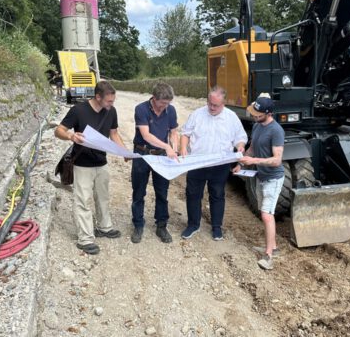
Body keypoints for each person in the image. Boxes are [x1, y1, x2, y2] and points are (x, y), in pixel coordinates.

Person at [54, 81, 125, 255]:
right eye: (108, 101)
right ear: (98, 97)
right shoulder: (79, 110)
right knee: (83, 200)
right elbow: (59, 130)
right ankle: (85, 238)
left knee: (103, 197)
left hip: (101, 163)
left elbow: (114, 133)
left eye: (113, 101)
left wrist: (124, 152)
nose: (111, 104)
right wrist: (71, 136)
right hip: (82, 164)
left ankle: (104, 227)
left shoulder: (111, 111)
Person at [179, 86, 247, 241]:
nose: (211, 107)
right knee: (193, 194)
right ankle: (193, 225)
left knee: (217, 195)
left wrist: (240, 146)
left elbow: (240, 137)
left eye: (215, 105)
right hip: (197, 163)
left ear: (224, 103)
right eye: (210, 103)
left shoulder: (231, 117)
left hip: (220, 164)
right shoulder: (197, 114)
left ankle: (216, 228)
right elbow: (185, 133)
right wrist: (183, 148)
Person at [233, 94, 285, 270]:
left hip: (273, 178)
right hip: (261, 176)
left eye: (258, 113)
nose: (254, 115)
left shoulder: (276, 131)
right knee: (264, 212)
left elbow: (277, 160)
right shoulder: (256, 126)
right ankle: (274, 247)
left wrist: (254, 162)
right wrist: (240, 164)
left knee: (266, 215)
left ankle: (269, 256)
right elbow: (252, 148)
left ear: (268, 113)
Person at [130, 83, 179, 244]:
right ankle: (138, 224)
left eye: (168, 103)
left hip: (161, 157)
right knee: (138, 191)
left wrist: (175, 148)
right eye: (162, 103)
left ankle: (162, 225)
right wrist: (166, 146)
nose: (165, 106)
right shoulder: (141, 109)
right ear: (154, 98)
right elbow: (146, 135)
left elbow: (173, 132)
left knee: (162, 192)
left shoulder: (170, 110)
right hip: (142, 154)